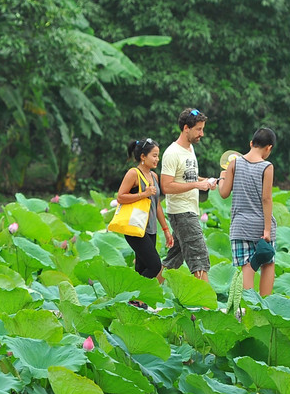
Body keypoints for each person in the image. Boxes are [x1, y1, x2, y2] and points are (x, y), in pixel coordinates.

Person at [217, 127, 277, 295]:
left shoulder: (234, 164)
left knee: (247, 266)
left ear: (251, 143)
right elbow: (266, 199)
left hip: (240, 226)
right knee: (268, 263)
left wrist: (223, 176)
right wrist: (266, 229)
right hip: (261, 225)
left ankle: (250, 308)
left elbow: (223, 193)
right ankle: (265, 307)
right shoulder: (267, 166)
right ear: (269, 148)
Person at [161, 108, 216, 281]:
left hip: (189, 209)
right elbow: (166, 186)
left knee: (173, 260)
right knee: (199, 257)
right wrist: (196, 184)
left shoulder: (190, 149)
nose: (202, 133)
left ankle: (143, 296)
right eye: (198, 129)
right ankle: (207, 307)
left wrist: (205, 181)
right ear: (186, 128)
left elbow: (187, 177)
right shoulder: (172, 153)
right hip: (181, 212)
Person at [116, 138, 173, 282]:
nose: (157, 159)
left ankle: (137, 302)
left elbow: (157, 204)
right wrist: (143, 194)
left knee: (141, 268)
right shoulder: (133, 173)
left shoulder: (154, 176)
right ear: (143, 157)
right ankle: (134, 294)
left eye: (158, 156)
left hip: (150, 229)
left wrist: (166, 230)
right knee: (154, 266)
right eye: (154, 155)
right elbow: (120, 197)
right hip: (135, 227)